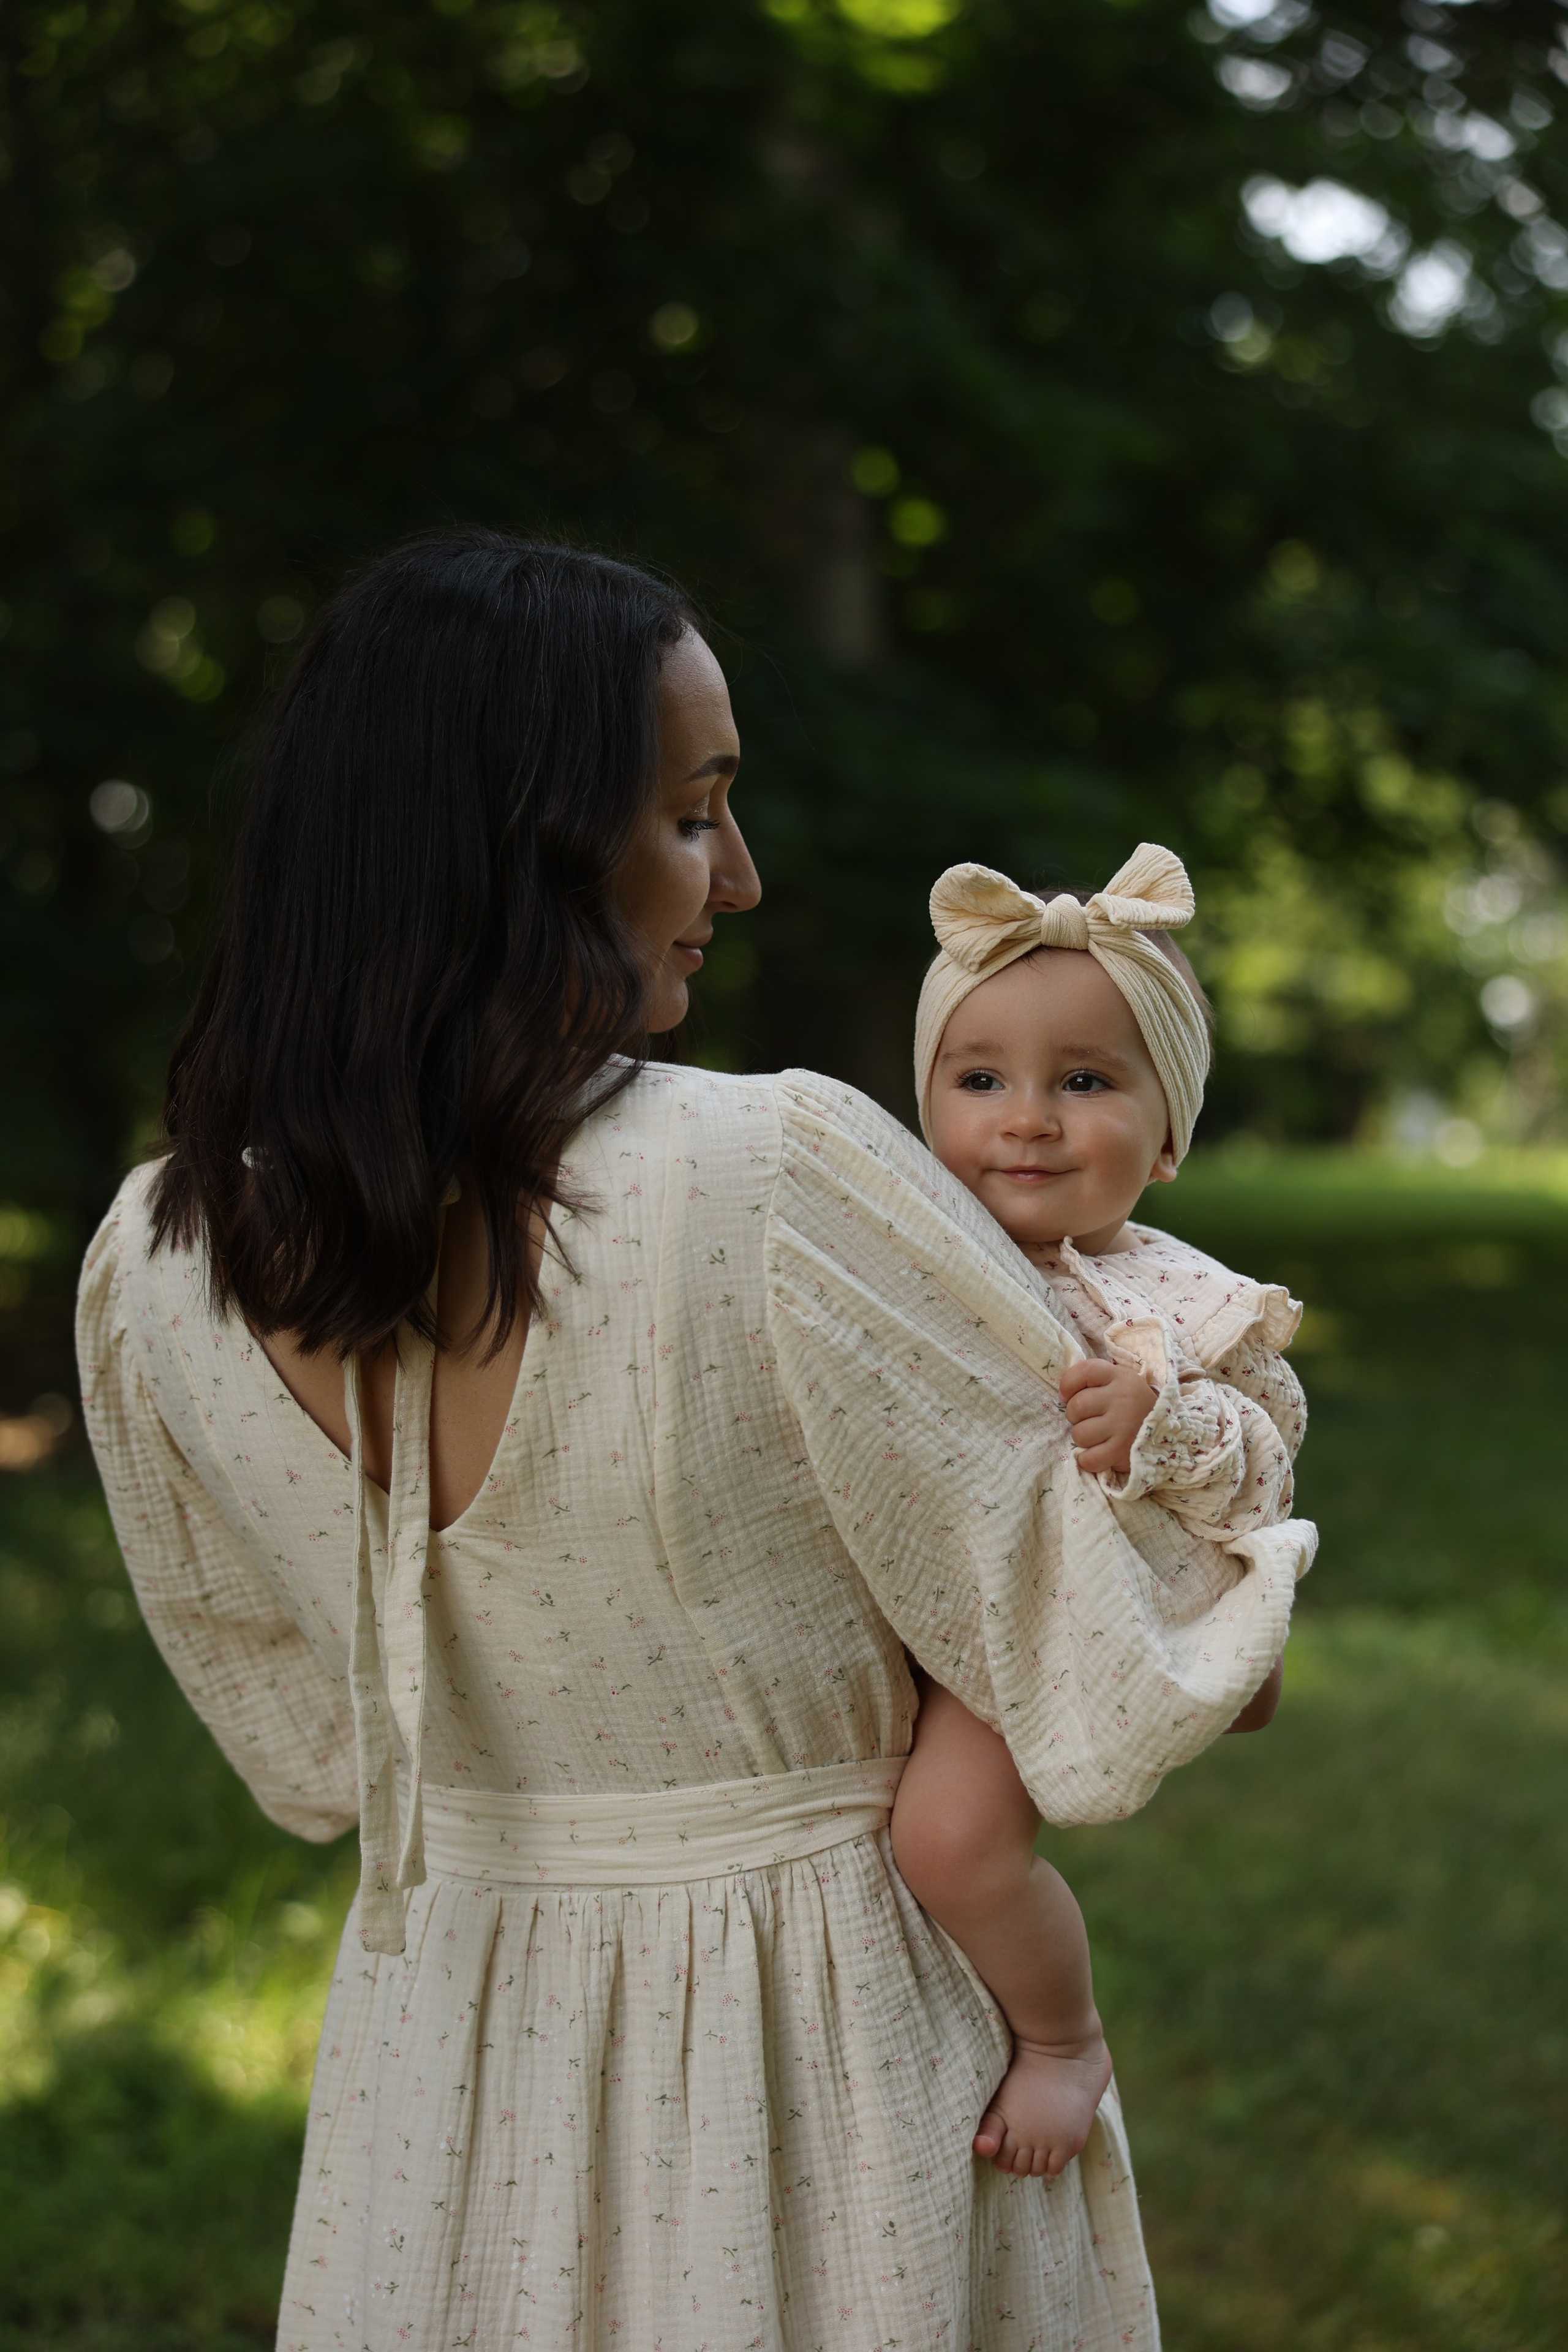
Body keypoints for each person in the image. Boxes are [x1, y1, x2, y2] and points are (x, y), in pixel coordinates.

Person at [77, 532, 1305, 2352]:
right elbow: (1140, 1655)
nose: (739, 876)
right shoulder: (772, 1176)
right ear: (530, 837)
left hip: (450, 2056)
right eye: (692, 814)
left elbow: (314, 1753)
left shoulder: (154, 1260)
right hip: (818, 2057)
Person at [889, 851, 1314, 2184]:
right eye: (978, 1079)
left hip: (1065, 1603)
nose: (1025, 1117)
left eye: (1083, 1080)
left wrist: (1155, 1419)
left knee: (947, 1839)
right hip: (935, 1575)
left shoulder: (1168, 1299)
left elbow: (1265, 1447)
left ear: (1168, 1132)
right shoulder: (904, 1255)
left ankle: (1063, 2040)